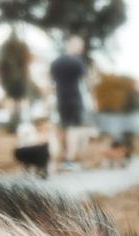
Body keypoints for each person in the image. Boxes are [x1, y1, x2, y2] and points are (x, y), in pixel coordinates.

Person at [50, 36, 88, 169]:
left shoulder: (56, 62)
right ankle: (69, 160)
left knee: (63, 128)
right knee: (74, 129)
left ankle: (60, 156)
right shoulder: (77, 62)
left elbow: (52, 83)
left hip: (60, 99)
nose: (81, 48)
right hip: (75, 99)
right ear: (75, 45)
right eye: (80, 45)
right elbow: (85, 80)